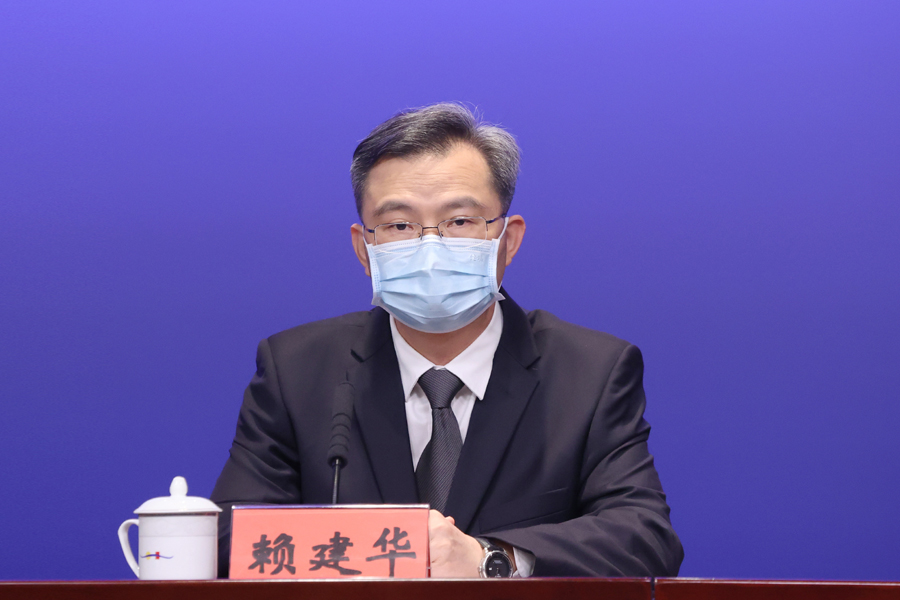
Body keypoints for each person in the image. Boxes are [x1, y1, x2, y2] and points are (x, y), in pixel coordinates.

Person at [210, 103, 683, 578]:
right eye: (400, 225)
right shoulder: (297, 370)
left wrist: (490, 558)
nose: (430, 248)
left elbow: (643, 537)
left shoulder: (590, 373)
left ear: (508, 240)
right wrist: (388, 553)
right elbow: (231, 537)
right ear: (363, 248)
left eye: (459, 221)